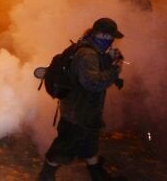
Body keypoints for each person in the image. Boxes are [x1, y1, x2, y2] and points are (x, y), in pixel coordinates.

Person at [38, 18, 126, 181]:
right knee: (63, 149)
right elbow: (92, 82)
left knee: (89, 147)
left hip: (85, 111)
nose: (111, 41)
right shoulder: (87, 54)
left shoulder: (92, 50)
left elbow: (91, 72)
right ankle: (45, 177)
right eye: (108, 37)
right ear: (100, 35)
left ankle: (97, 176)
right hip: (78, 113)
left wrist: (108, 60)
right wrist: (114, 70)